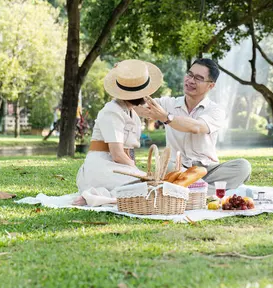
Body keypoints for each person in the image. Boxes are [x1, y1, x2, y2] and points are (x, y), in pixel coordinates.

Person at [135, 58, 251, 195]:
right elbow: (137, 106)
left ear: (211, 86)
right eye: (189, 74)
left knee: (243, 167)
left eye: (198, 78)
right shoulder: (168, 104)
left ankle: (186, 190)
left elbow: (196, 127)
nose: (190, 80)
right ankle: (206, 190)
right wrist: (124, 79)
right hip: (177, 168)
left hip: (206, 169)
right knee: (167, 166)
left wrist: (166, 117)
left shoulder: (215, 110)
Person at [75, 59, 163, 194]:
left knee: (152, 186)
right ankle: (95, 195)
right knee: (145, 188)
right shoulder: (112, 111)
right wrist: (137, 172)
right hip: (102, 167)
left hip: (119, 167)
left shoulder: (130, 111)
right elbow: (117, 154)